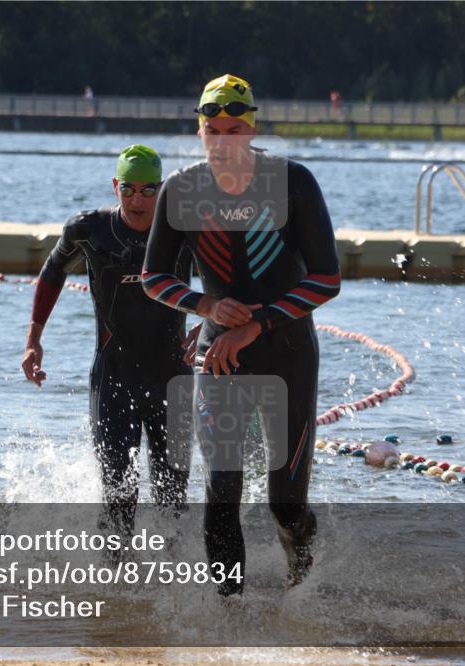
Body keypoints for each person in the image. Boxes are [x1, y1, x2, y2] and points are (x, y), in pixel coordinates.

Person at [142, 74, 341, 594]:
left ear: (251, 130)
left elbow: (327, 278)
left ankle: (303, 572)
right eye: (213, 128)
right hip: (220, 356)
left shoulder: (293, 182)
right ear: (200, 129)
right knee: (221, 488)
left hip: (288, 351)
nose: (222, 140)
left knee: (285, 502)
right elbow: (154, 277)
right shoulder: (181, 190)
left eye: (234, 129)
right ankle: (226, 614)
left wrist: (258, 323)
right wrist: (205, 304)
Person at [21, 145, 193, 540]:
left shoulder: (183, 229)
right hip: (114, 378)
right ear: (116, 186)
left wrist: (211, 324)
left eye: (149, 191)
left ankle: (174, 590)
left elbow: (228, 273)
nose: (138, 200)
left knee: (173, 501)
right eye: (129, 189)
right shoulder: (90, 230)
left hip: (173, 378)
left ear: (162, 190)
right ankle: (115, 596)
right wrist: (33, 339)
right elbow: (53, 270)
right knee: (118, 497)